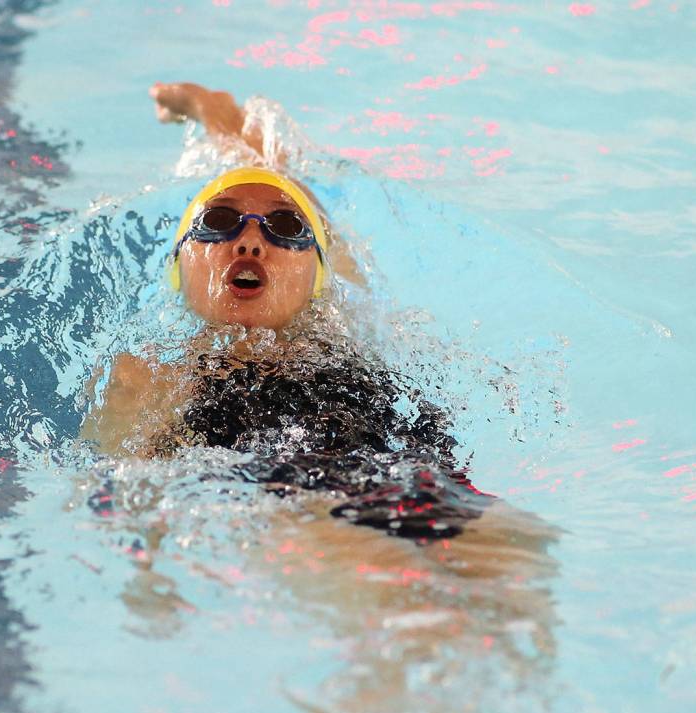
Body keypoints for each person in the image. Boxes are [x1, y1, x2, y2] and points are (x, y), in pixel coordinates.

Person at [82, 82, 494, 543]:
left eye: (286, 226)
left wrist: (209, 110)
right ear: (180, 263)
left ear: (318, 272)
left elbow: (273, 175)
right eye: (217, 221)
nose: (250, 240)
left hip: (434, 486)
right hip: (289, 514)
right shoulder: (144, 378)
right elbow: (128, 505)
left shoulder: (350, 323)